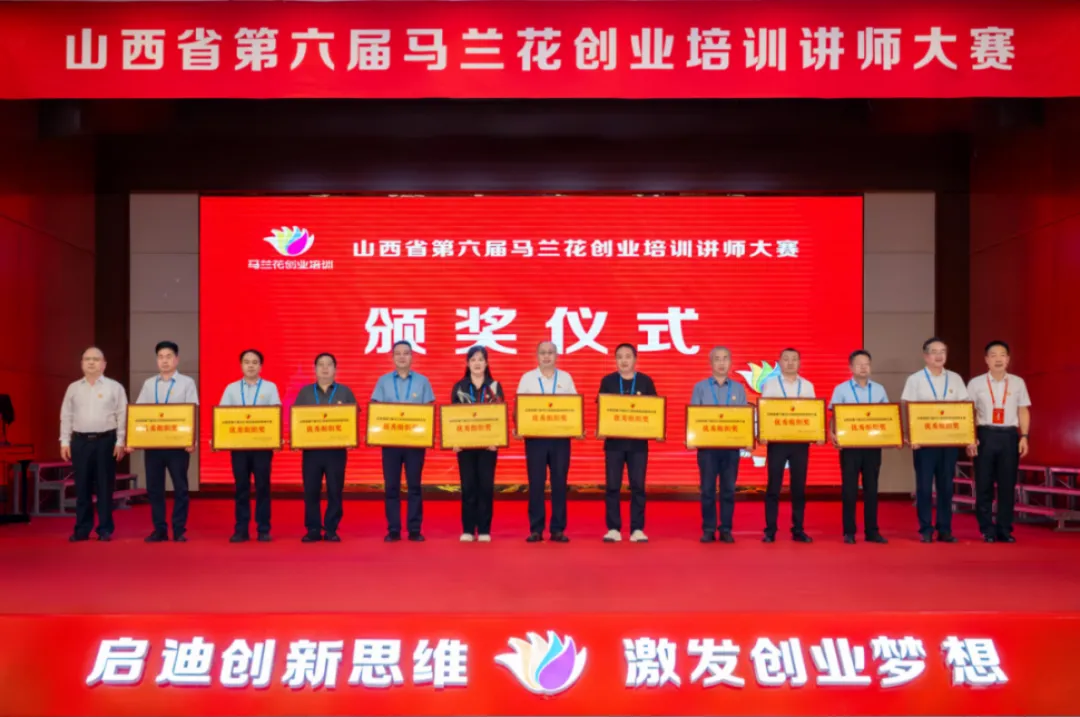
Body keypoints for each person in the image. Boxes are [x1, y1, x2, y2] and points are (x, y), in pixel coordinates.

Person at [900, 337, 970, 543]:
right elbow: (907, 408)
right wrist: (910, 435)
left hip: (948, 441)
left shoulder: (955, 379)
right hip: (924, 442)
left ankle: (945, 529)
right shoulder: (915, 379)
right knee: (924, 486)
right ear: (925, 356)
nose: (939, 356)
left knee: (946, 487)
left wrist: (967, 437)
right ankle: (925, 529)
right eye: (934, 351)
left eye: (943, 351)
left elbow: (964, 409)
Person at [60, 347, 128, 542]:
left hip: (106, 441)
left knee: (105, 486)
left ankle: (105, 529)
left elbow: (123, 415)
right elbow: (66, 415)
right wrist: (64, 441)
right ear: (82, 363)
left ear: (104, 364)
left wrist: (120, 441)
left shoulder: (114, 387)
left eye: (96, 359)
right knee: (82, 487)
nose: (91, 362)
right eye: (87, 359)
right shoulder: (73, 388)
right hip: (80, 442)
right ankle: (82, 529)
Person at [133, 341, 199, 543]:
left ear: (176, 359)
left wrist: (192, 439)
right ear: (157, 360)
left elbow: (192, 412)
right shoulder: (149, 384)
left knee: (180, 488)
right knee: (154, 489)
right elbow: (139, 413)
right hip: (153, 445)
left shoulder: (187, 383)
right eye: (161, 357)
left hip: (178, 445)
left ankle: (179, 530)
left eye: (169, 356)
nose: (164, 361)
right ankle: (159, 530)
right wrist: (135, 439)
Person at [966, 340, 1031, 543]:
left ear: (1008, 359)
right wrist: (970, 438)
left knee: (1007, 485)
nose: (998, 359)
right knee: (983, 484)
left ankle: (1004, 529)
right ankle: (987, 529)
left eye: (1002, 355)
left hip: (1009, 436)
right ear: (986, 360)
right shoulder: (975, 383)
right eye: (993, 355)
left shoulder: (1018, 383)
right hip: (985, 435)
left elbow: (1023, 410)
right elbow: (968, 412)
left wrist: (1024, 436)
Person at [371, 340, 435, 542]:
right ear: (392, 357)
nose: (401, 357)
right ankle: (393, 529)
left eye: (406, 353)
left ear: (412, 357)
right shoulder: (383, 381)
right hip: (390, 443)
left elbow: (429, 411)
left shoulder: (423, 381)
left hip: (414, 444)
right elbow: (375, 409)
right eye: (397, 353)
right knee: (391, 487)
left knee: (414, 486)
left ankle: (415, 529)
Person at [516, 341, 578, 543]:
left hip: (560, 440)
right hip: (535, 440)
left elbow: (574, 408)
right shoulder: (527, 378)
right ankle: (536, 529)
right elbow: (519, 407)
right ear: (537, 356)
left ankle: (558, 529)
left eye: (550, 352)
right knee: (536, 483)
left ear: (556, 355)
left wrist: (576, 427)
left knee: (559, 483)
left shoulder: (566, 378)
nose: (546, 356)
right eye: (542, 352)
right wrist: (519, 427)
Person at [219, 349, 282, 543]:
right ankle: (241, 529)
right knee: (241, 488)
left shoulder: (270, 388)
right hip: (239, 447)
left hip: (262, 447)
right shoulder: (231, 389)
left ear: (261, 366)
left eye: (255, 362)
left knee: (263, 487)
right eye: (247, 362)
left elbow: (276, 414)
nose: (251, 365)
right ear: (241, 365)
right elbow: (223, 416)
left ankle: (263, 529)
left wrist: (276, 438)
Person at [293, 352, 357, 542]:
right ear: (315, 369)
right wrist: (296, 439)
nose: (325, 368)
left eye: (329, 364)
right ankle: (313, 529)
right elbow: (297, 419)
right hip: (311, 452)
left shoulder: (345, 392)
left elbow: (353, 417)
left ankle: (331, 529)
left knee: (335, 490)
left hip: (336, 452)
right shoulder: (305, 392)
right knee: (311, 490)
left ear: (335, 369)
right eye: (320, 364)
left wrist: (351, 438)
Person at [598, 344, 657, 543]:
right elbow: (603, 410)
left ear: (635, 359)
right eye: (620, 357)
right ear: (615, 360)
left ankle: (637, 528)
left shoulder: (645, 381)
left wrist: (657, 431)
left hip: (638, 445)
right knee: (612, 486)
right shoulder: (608, 381)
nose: (624, 360)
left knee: (638, 486)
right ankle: (613, 528)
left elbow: (654, 410)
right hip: (614, 444)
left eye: (628, 356)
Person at [828, 350, 889, 544]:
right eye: (859, 364)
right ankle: (849, 531)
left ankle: (872, 531)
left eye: (866, 364)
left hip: (872, 446)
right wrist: (831, 433)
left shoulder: (879, 389)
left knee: (872, 488)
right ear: (851, 367)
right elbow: (834, 416)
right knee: (849, 489)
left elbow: (887, 417)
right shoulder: (841, 389)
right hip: (850, 447)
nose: (863, 367)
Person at [690, 346, 748, 543]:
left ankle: (725, 529)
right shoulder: (700, 387)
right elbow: (694, 417)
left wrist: (746, 440)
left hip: (731, 448)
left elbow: (744, 418)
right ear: (711, 362)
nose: (721, 363)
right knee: (707, 489)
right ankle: (708, 529)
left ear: (730, 362)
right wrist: (692, 438)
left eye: (725, 358)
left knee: (728, 490)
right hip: (707, 449)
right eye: (717, 359)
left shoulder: (738, 388)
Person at [759, 347, 818, 543]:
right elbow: (764, 411)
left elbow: (813, 413)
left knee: (799, 488)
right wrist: (762, 433)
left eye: (794, 359)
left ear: (799, 363)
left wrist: (817, 434)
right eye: (786, 359)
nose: (790, 362)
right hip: (777, 442)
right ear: (779, 362)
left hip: (800, 443)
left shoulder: (807, 386)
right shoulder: (770, 385)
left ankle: (798, 529)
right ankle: (770, 530)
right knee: (773, 487)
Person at [450, 346, 505, 542]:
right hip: (465, 446)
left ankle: (483, 530)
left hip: (488, 446)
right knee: (468, 487)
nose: (477, 363)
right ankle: (467, 529)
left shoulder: (495, 386)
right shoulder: (459, 387)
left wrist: (497, 440)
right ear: (467, 363)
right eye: (473, 359)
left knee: (486, 487)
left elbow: (499, 416)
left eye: (481, 359)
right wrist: (454, 441)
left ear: (487, 363)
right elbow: (452, 417)